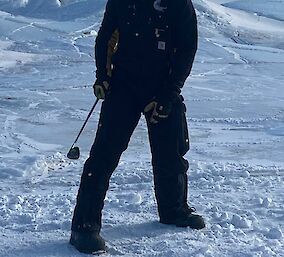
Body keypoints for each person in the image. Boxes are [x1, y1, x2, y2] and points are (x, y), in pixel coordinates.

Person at [70, 0, 205, 254]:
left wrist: (169, 93)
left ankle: (173, 210)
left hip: (163, 85)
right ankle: (83, 227)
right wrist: (103, 75)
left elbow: (187, 47)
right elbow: (106, 36)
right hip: (123, 86)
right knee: (103, 155)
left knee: (171, 150)